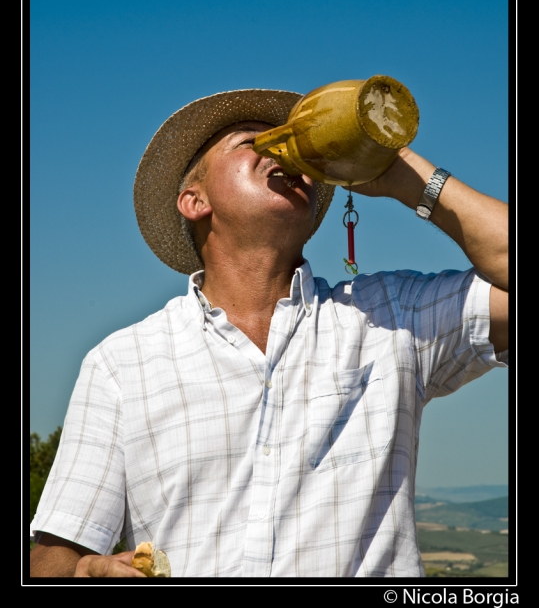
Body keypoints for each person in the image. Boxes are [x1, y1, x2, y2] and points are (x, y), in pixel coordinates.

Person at [30, 87, 508, 578]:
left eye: (291, 145)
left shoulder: (391, 315)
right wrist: (88, 572)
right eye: (251, 142)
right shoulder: (121, 364)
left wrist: (403, 174)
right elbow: (51, 561)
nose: (282, 152)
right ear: (194, 201)